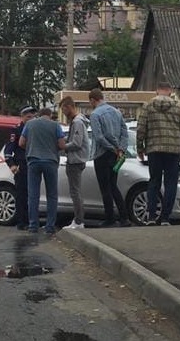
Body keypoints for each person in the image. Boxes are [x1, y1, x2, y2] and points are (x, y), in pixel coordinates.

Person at [136, 82, 180, 226]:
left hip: (154, 149)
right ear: (170, 91)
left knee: (154, 182)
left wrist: (140, 148)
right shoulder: (179, 108)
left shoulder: (148, 106)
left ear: (157, 91)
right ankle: (165, 218)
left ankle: (152, 216)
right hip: (173, 150)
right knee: (171, 184)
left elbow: (141, 128)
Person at [87, 88, 131, 227]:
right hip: (115, 155)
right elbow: (125, 132)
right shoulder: (117, 112)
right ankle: (124, 217)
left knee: (105, 188)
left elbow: (99, 137)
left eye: (91, 102)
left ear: (93, 100)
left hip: (101, 154)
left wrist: (112, 148)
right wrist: (121, 149)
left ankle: (110, 218)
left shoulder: (95, 115)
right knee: (113, 185)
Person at [19, 107, 66, 234]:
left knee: (33, 195)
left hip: (33, 161)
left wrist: (31, 147)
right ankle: (50, 227)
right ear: (50, 115)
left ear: (39, 115)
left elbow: (21, 143)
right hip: (50, 162)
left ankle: (33, 225)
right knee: (52, 195)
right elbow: (62, 145)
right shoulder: (55, 125)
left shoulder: (30, 124)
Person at [4, 106, 37, 230]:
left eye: (32, 117)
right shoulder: (17, 130)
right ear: (22, 117)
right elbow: (9, 150)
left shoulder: (35, 129)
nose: (30, 119)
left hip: (34, 164)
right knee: (21, 195)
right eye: (28, 117)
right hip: (21, 166)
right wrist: (11, 164)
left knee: (32, 194)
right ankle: (21, 222)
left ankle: (31, 221)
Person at [59, 96, 89, 229]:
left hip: (75, 160)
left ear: (69, 107)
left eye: (64, 109)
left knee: (75, 192)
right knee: (75, 191)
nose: (63, 112)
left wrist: (63, 146)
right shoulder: (77, 122)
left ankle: (78, 221)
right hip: (76, 159)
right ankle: (78, 220)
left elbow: (77, 143)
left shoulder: (77, 122)